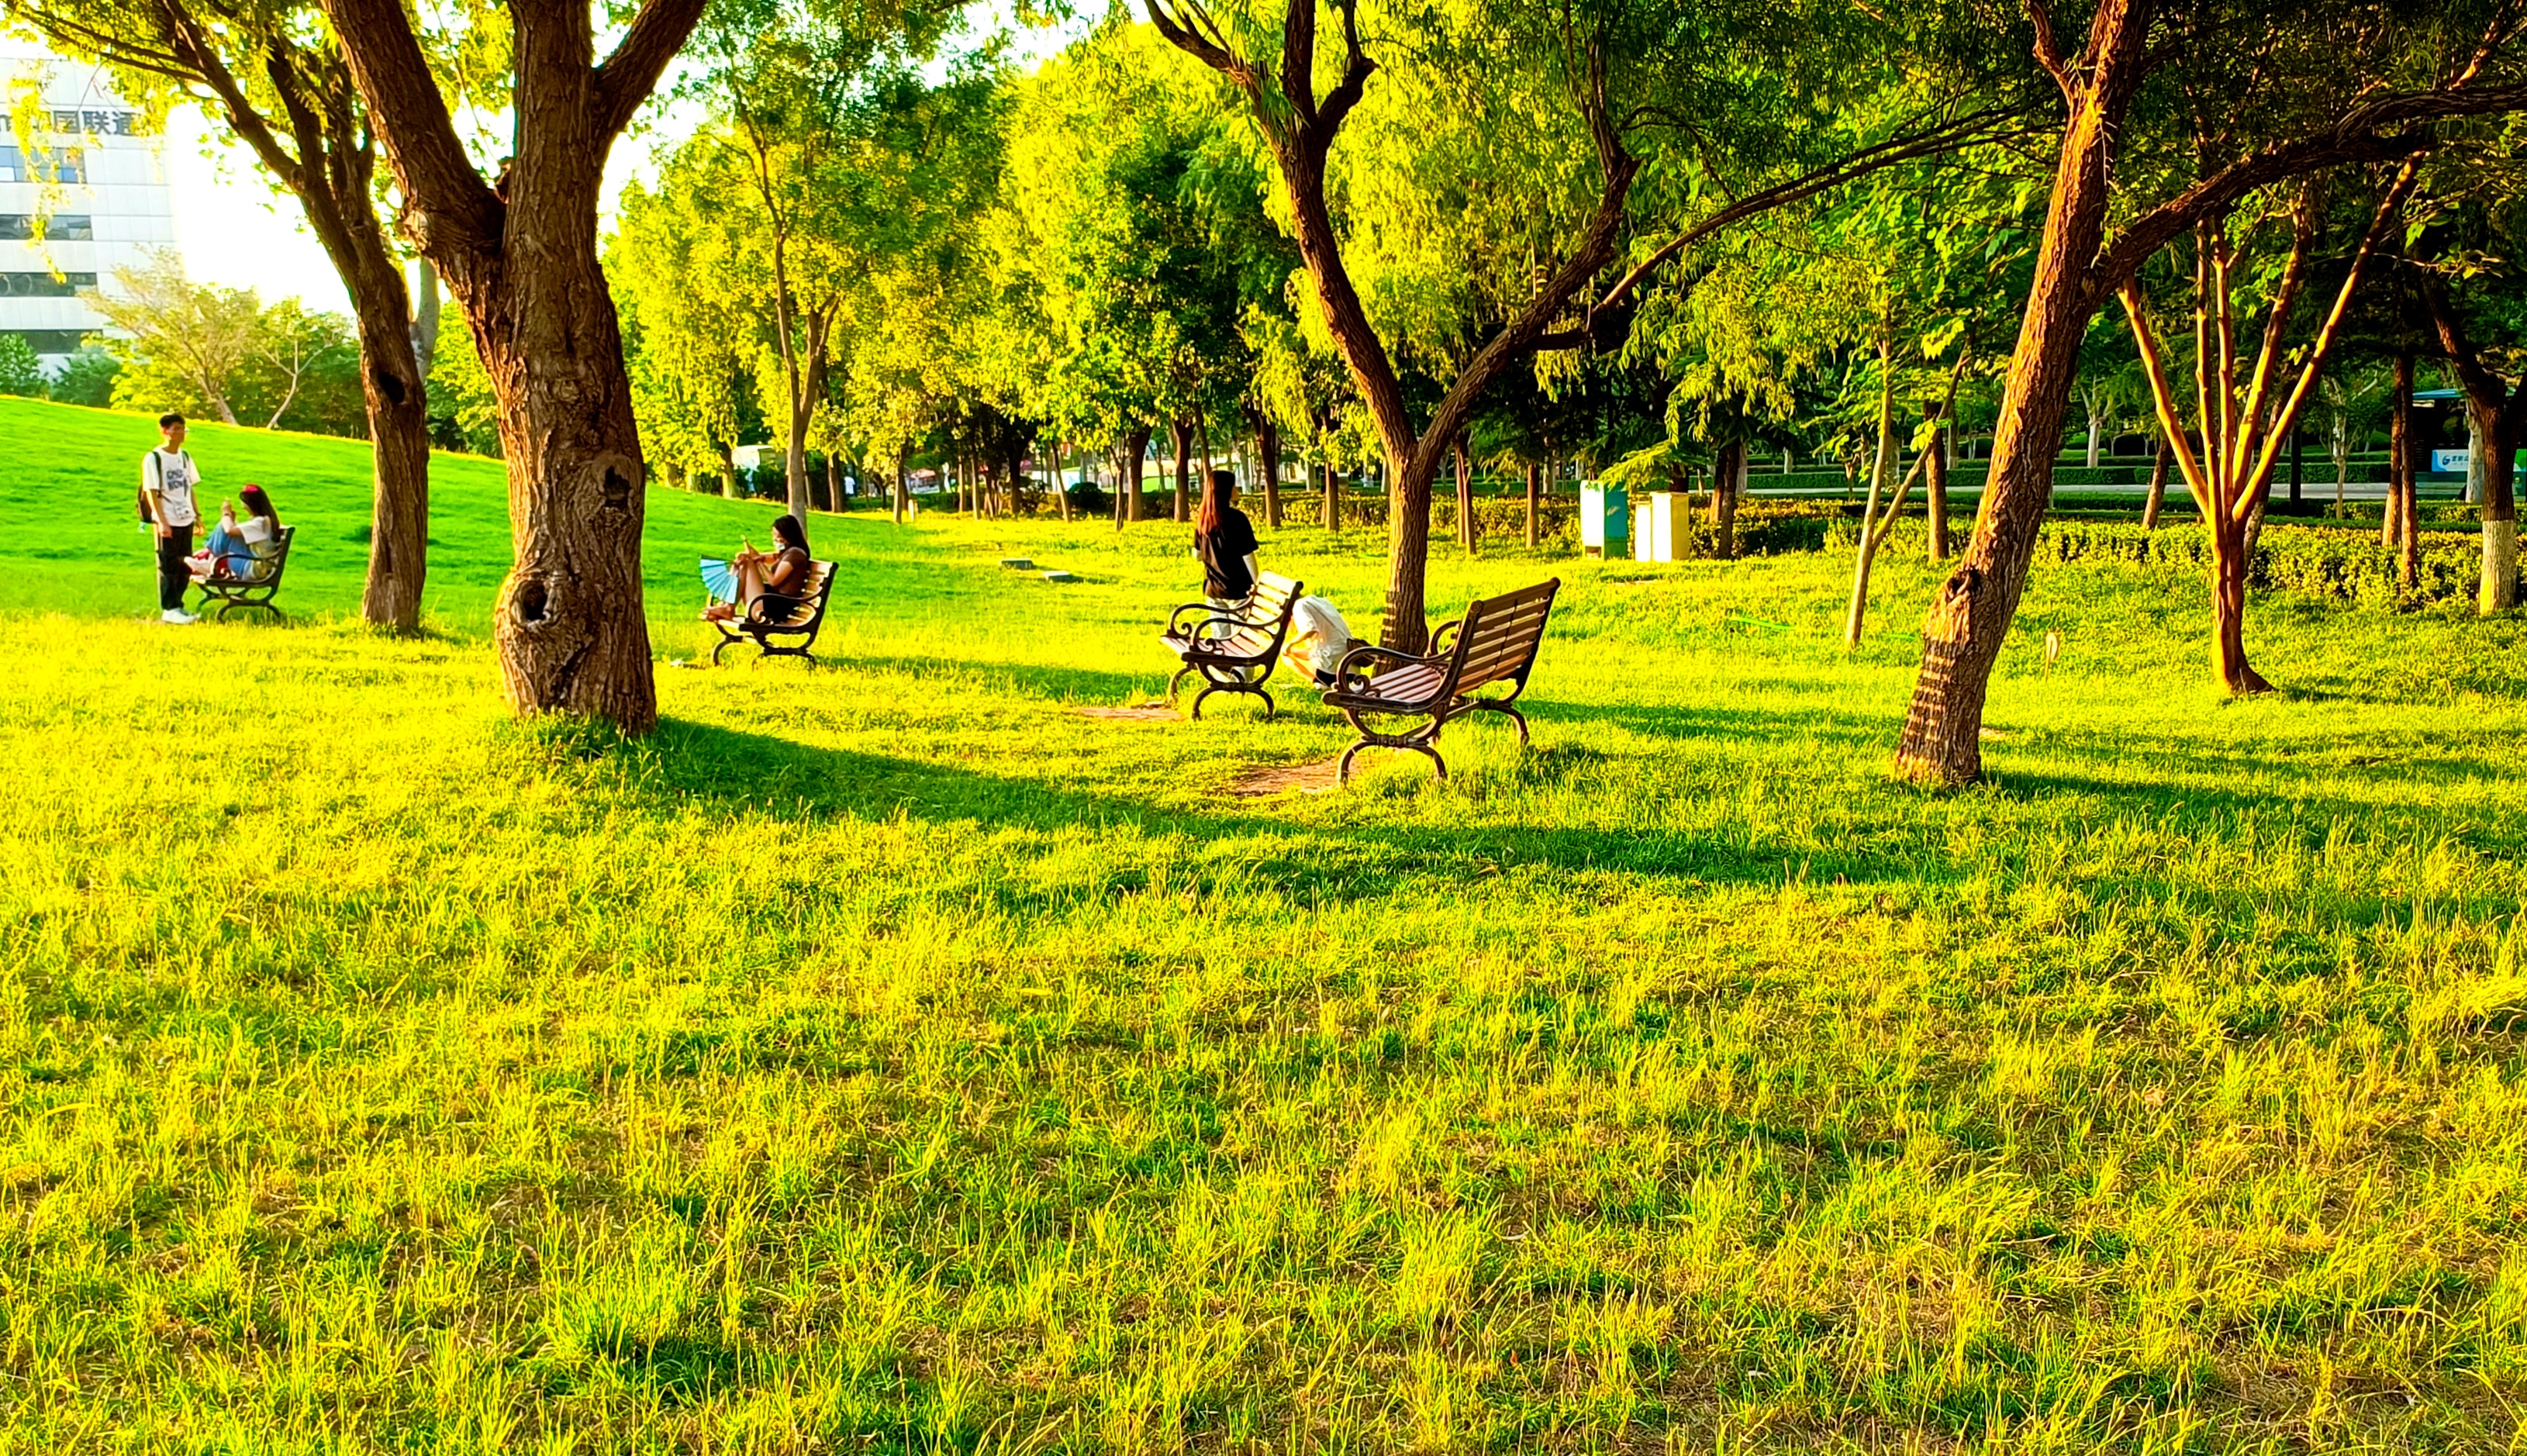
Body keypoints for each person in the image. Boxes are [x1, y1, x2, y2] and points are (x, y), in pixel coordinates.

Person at [139, 412, 202, 624]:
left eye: (183, 428)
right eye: (176, 428)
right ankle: (169, 608)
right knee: (168, 565)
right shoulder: (154, 458)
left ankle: (178, 606)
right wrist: (162, 521)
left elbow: (189, 488)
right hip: (168, 518)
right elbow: (152, 491)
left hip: (186, 517)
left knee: (186, 564)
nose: (181, 432)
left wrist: (198, 515)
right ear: (165, 431)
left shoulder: (185, 457)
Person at [703, 512, 811, 623]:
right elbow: (765, 557)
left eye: (779, 537)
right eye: (774, 536)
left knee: (748, 563)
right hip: (770, 599)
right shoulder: (786, 553)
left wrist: (758, 561)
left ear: (789, 536)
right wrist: (747, 555)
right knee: (745, 561)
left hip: (779, 606)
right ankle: (726, 605)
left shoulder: (795, 553)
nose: (776, 540)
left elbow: (774, 581)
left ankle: (728, 608)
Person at [1193, 468, 1258, 629]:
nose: (1236, 489)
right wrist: (1257, 584)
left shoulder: (1203, 519)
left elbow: (1197, 555)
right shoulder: (1237, 518)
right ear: (1226, 490)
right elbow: (1248, 556)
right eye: (1234, 485)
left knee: (1220, 638)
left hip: (1213, 589)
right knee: (1240, 636)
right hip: (1238, 589)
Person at [194, 484, 283, 582]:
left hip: (253, 569)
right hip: (257, 565)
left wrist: (226, 514)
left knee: (223, 526)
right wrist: (230, 520)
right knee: (226, 525)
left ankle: (210, 563)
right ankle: (210, 562)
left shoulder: (260, 523)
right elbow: (236, 531)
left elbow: (229, 530)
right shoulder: (265, 521)